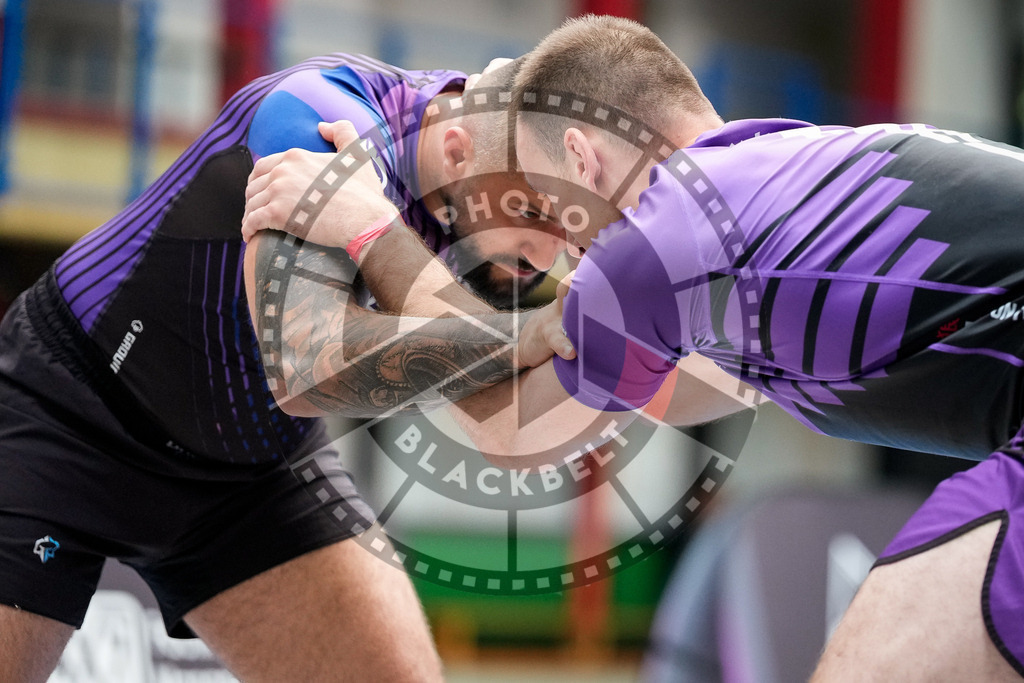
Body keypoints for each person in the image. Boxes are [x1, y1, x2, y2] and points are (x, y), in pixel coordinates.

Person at [244, 15, 1024, 681]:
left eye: (551, 210)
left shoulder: (665, 229)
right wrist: (543, 331)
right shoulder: (773, 185)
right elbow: (656, 389)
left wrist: (371, 230)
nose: (562, 257)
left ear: (584, 160)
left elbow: (512, 430)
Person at [0, 51, 570, 682]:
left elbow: (507, 422)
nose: (549, 257)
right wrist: (522, 336)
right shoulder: (324, 121)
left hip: (256, 469)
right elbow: (305, 367)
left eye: (568, 226)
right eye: (530, 212)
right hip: (76, 416)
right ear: (458, 153)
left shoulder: (518, 199)